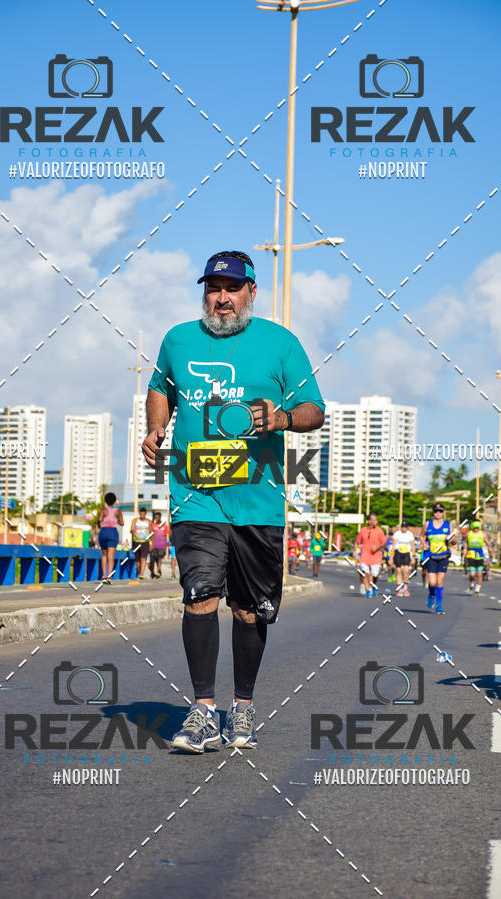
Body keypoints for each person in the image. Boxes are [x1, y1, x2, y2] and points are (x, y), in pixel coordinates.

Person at [142, 250, 325, 752]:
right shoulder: (178, 339)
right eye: (212, 288)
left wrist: (282, 418)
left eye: (232, 288)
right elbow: (160, 387)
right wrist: (157, 426)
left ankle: (242, 709)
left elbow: (315, 410)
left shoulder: (280, 343)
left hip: (259, 501)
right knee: (200, 595)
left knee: (250, 610)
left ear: (251, 292)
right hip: (195, 496)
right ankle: (202, 710)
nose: (221, 298)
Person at [420, 502, 455, 614]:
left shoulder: (448, 525)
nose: (438, 513)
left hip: (443, 556)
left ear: (443, 512)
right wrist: (423, 544)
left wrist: (451, 540)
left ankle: (439, 605)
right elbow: (421, 536)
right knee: (432, 582)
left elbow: (454, 541)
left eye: (440, 511)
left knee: (440, 581)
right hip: (430, 556)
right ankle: (431, 594)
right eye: (436, 511)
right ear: (433, 512)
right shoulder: (427, 524)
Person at [354, 513, 387, 598]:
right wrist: (356, 551)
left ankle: (373, 586)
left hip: (375, 556)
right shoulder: (363, 530)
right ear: (369, 521)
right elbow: (357, 542)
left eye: (376, 520)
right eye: (374, 520)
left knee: (375, 574)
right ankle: (368, 589)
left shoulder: (379, 531)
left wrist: (377, 547)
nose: (376, 521)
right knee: (363, 571)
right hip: (365, 555)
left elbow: (384, 542)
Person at [98, 492, 124, 584]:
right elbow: (122, 523)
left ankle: (104, 576)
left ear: (105, 500)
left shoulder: (103, 510)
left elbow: (100, 519)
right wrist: (115, 520)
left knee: (104, 555)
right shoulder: (117, 511)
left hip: (104, 532)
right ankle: (110, 576)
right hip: (113, 532)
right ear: (114, 501)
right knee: (111, 556)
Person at [462, 520, 492, 594]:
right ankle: (472, 583)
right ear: (472, 527)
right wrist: (465, 549)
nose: (476, 529)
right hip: (471, 555)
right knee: (472, 574)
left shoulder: (483, 534)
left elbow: (487, 543)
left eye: (477, 527)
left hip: (480, 555)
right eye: (475, 527)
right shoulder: (469, 534)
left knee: (479, 574)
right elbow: (465, 543)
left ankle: (477, 589)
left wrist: (490, 550)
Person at [392, 520, 415, 596]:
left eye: (405, 527)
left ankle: (405, 588)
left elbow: (412, 546)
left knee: (406, 571)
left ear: (407, 528)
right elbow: (394, 545)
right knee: (398, 571)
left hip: (406, 554)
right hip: (398, 553)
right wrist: (391, 557)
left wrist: (413, 557)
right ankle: (399, 588)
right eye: (402, 527)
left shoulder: (410, 534)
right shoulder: (397, 534)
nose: (404, 529)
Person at [130, 506, 152, 579]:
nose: (142, 515)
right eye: (141, 514)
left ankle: (141, 574)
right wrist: (134, 531)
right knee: (137, 559)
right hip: (136, 541)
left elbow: (151, 533)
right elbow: (131, 529)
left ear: (145, 514)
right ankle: (139, 572)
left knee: (143, 558)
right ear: (139, 513)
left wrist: (151, 543)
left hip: (145, 542)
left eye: (143, 514)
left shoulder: (148, 521)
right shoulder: (135, 520)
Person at [150, 511, 169, 578]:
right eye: (155, 517)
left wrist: (166, 546)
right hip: (154, 545)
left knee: (160, 558)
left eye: (158, 517)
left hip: (162, 545)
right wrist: (151, 544)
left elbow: (166, 536)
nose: (156, 518)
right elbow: (151, 535)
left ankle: (157, 571)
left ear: (160, 517)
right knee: (154, 559)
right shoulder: (153, 525)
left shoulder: (165, 525)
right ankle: (156, 571)